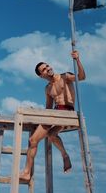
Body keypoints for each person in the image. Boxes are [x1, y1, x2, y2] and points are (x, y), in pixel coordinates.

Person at [19, 50, 86, 181]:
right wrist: (38, 118)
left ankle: (63, 156)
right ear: (41, 75)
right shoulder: (48, 89)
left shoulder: (65, 77)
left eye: (47, 65)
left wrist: (77, 60)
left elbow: (81, 77)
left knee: (47, 135)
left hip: (68, 112)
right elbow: (48, 108)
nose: (48, 68)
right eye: (44, 69)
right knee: (36, 139)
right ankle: (27, 172)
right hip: (55, 113)